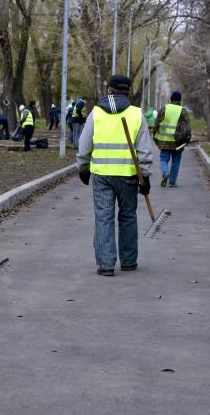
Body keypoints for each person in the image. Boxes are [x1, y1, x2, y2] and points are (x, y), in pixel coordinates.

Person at [77, 75, 153, 276]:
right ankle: (128, 261)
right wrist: (145, 176)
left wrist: (83, 167)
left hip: (102, 176)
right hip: (128, 176)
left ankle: (106, 264)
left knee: (104, 218)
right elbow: (145, 150)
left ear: (108, 90)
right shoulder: (137, 114)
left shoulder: (96, 113)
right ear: (128, 92)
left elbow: (84, 144)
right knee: (128, 217)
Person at [153, 91, 191, 187]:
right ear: (179, 100)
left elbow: (156, 124)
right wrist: (187, 139)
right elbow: (188, 127)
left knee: (164, 159)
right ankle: (172, 182)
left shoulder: (164, 109)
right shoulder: (183, 111)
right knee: (176, 161)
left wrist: (155, 137)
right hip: (178, 141)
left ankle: (165, 172)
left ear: (170, 99)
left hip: (164, 141)